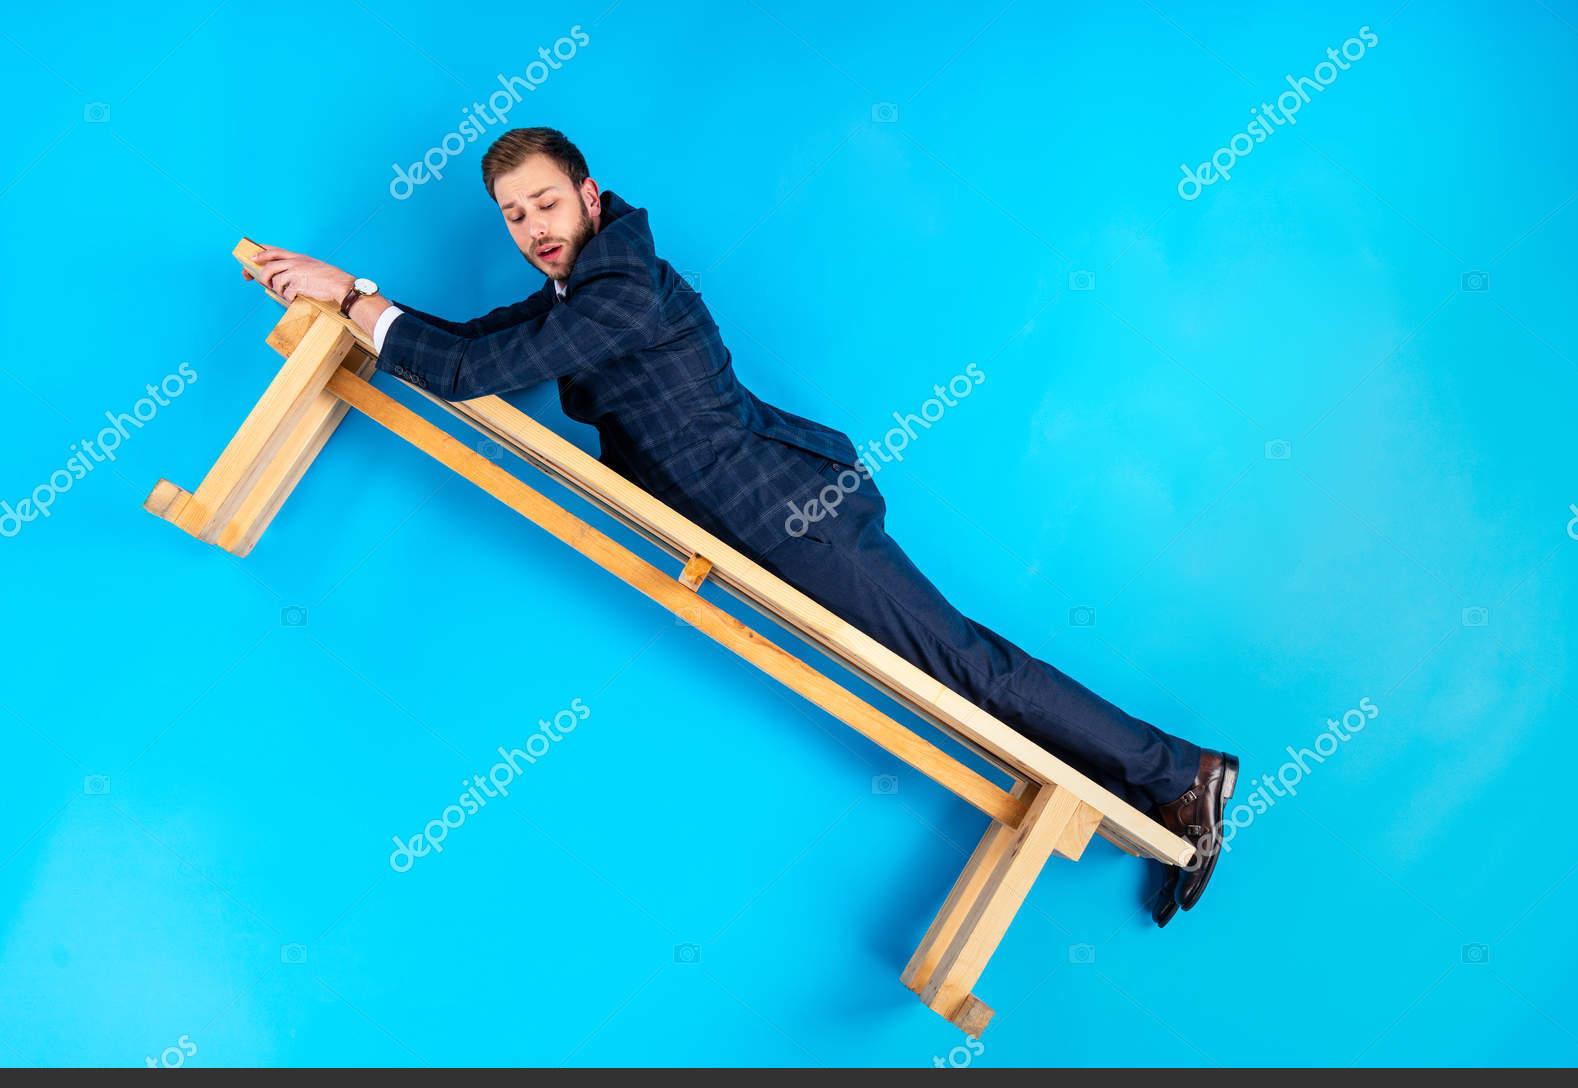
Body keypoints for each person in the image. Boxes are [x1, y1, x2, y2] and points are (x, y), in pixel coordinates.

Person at [248, 126, 1239, 924]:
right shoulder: (582, 287)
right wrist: (360, 299)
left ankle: (1181, 771)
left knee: (962, 669)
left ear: (589, 195)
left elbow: (467, 373)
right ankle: (1159, 777)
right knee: (956, 672)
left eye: (545, 203)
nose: (532, 227)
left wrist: (354, 298)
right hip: (772, 524)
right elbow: (469, 344)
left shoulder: (621, 287)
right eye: (513, 215)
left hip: (793, 518)